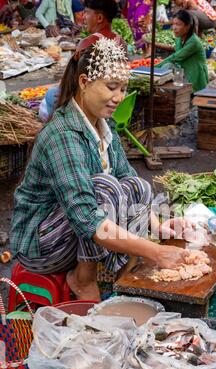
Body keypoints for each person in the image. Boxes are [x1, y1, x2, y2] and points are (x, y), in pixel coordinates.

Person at [11, 36, 198, 302]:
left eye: (123, 88)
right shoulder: (62, 134)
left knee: (136, 184)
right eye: (112, 87)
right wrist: (155, 252)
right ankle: (83, 279)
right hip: (41, 246)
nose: (118, 97)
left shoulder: (101, 125)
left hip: (71, 235)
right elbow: (86, 216)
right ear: (84, 82)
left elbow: (128, 177)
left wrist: (158, 226)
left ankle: (125, 270)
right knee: (105, 187)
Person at [156, 9, 208, 93]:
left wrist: (154, 68)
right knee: (167, 66)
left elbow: (176, 57)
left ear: (187, 26)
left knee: (167, 66)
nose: (174, 28)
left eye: (178, 24)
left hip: (195, 77)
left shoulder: (194, 41)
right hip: (184, 72)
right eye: (173, 24)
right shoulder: (179, 38)